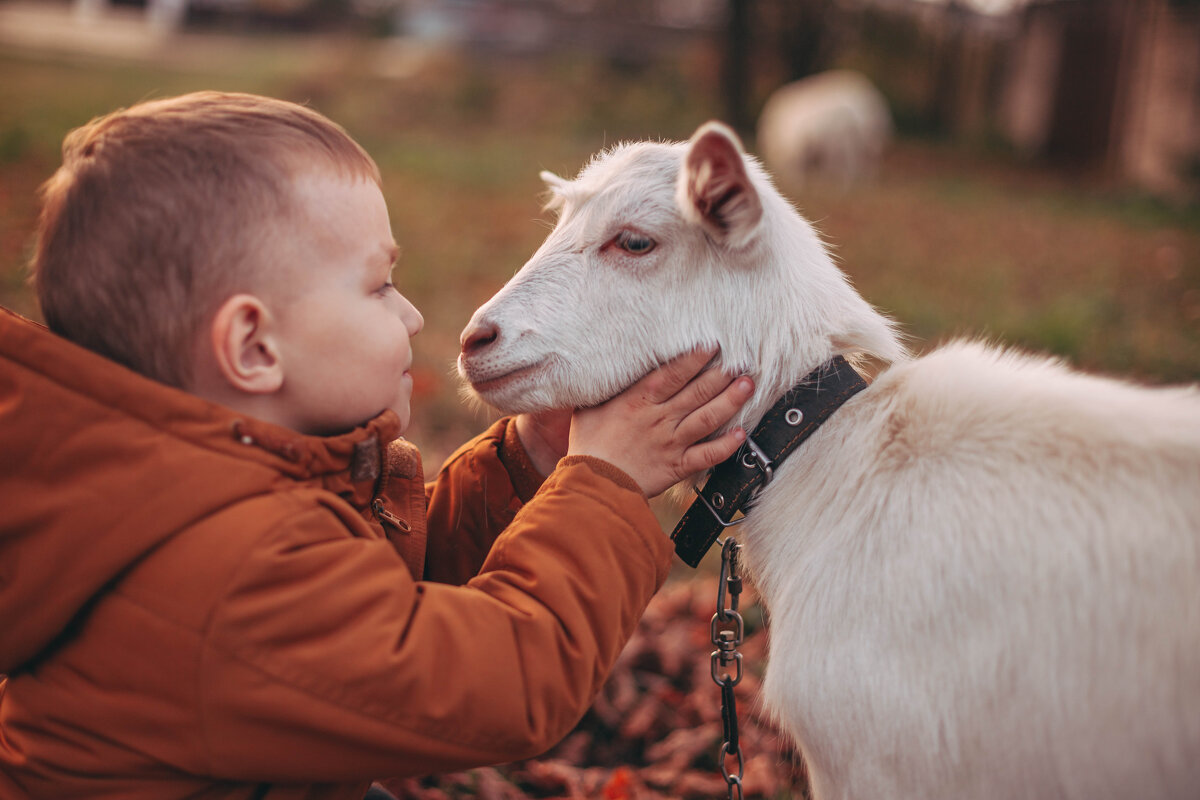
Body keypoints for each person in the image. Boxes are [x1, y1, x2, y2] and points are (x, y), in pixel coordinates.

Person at [0, 91, 753, 799]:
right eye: (379, 286)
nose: (416, 313)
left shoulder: (209, 494)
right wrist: (603, 482)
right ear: (254, 347)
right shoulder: (223, 578)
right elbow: (503, 683)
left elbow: (387, 605)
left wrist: (530, 458)